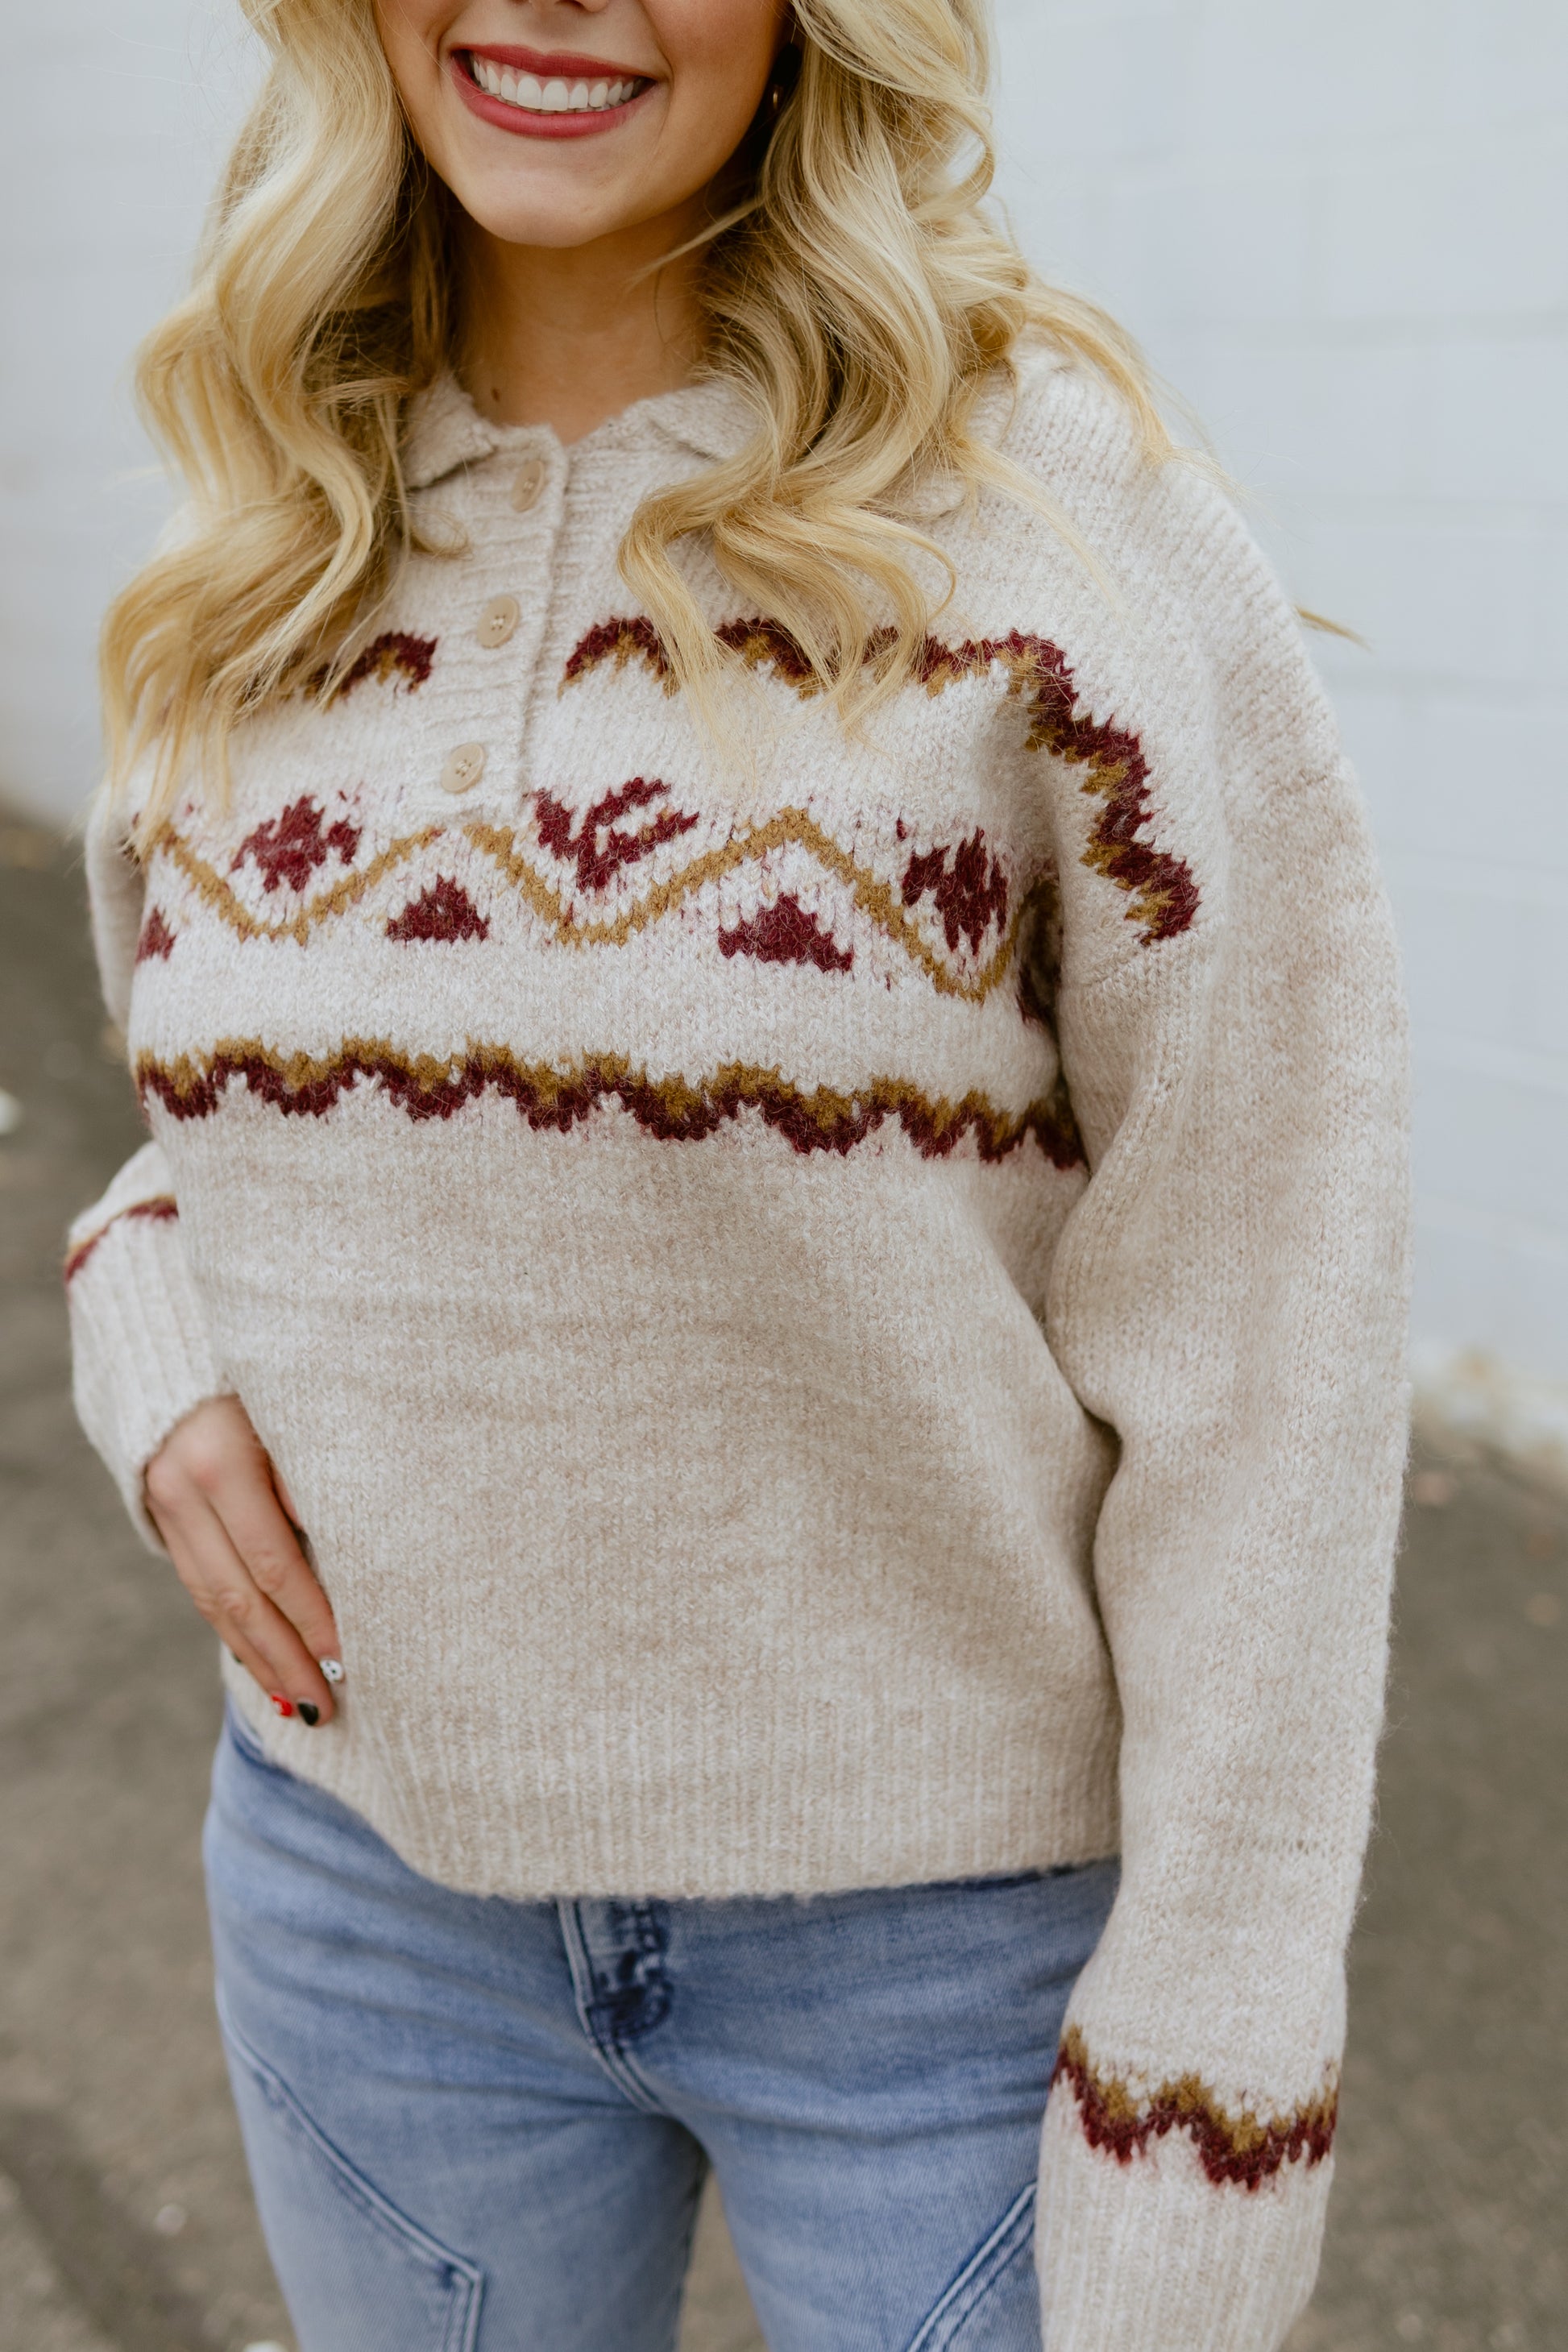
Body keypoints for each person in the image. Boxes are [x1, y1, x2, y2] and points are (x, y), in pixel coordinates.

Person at [67, 1, 1411, 2345]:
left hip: (937, 1963)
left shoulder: (1053, 527)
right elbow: (226, 1116)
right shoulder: (274, 510)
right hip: (365, 1899)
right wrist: (150, 1329)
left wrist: (1204, 2101)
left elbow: (1269, 1337)